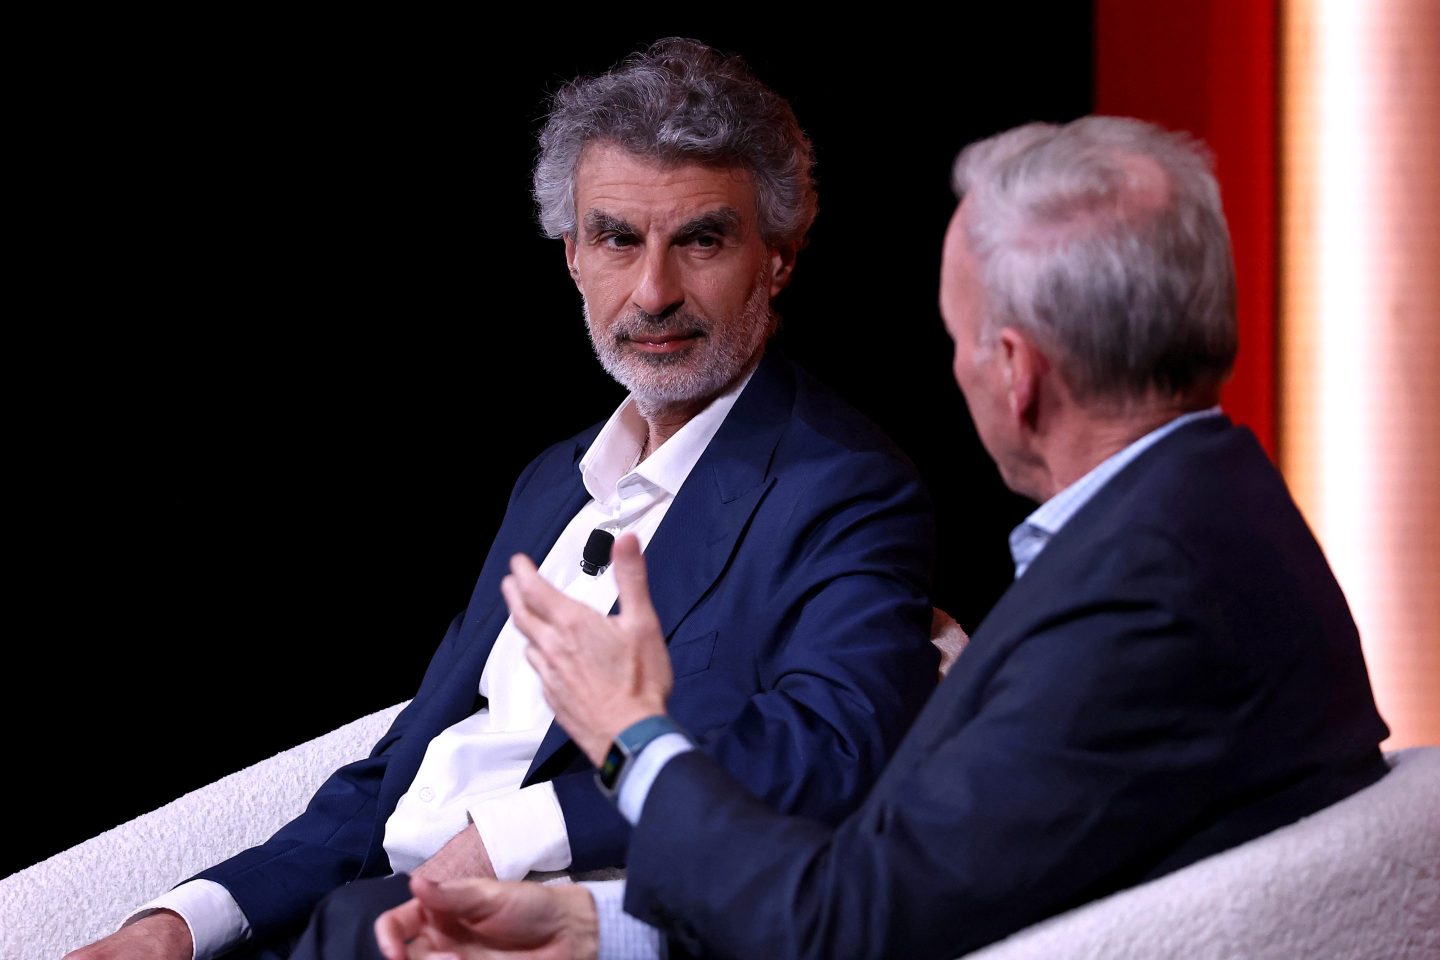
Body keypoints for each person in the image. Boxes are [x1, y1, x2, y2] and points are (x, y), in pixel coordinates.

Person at [375, 116, 1391, 960]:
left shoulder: (1141, 602)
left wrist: (633, 737)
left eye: (955, 339)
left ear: (1015, 372)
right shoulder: (1211, 512)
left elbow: (848, 927)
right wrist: (598, 928)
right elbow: (913, 877)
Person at [67, 39, 939, 960]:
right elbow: (402, 769)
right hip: (352, 920)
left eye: (702, 240)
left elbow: (832, 747)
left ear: (780, 257)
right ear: (573, 257)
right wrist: (178, 924)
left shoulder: (845, 487)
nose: (654, 292)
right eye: (618, 239)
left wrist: (514, 834)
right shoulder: (554, 480)